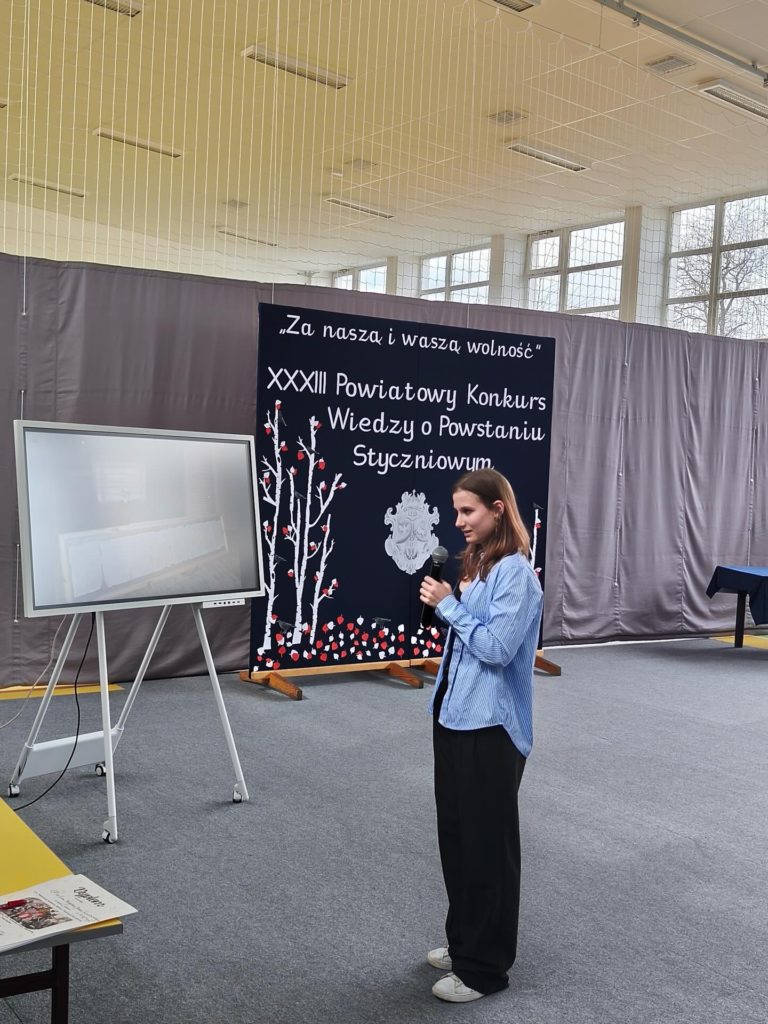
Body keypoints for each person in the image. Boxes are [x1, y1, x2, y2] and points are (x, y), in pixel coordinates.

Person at [419, 468, 543, 1004]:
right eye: (456, 512)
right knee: (459, 841)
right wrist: (451, 603)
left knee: (488, 849)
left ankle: (485, 969)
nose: (459, 521)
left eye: (467, 511)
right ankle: (465, 943)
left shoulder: (516, 574)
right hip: (454, 716)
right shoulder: (480, 565)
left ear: (498, 510)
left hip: (491, 728)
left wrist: (449, 605)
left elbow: (495, 648)